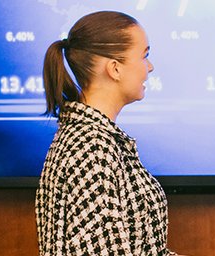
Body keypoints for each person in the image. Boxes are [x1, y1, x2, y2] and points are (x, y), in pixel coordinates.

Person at [35, 11, 178, 255]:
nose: (150, 67)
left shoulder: (95, 139)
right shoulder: (90, 148)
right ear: (115, 69)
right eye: (144, 56)